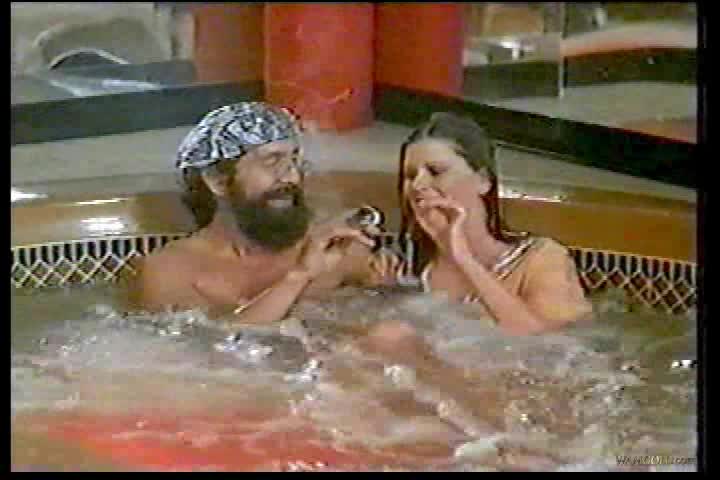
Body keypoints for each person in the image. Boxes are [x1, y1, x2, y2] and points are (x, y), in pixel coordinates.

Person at [127, 102, 396, 326]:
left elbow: (396, 323)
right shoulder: (171, 272)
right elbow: (200, 360)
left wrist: (386, 290)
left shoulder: (341, 254)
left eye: (294, 161)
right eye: (272, 162)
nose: (291, 177)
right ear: (217, 181)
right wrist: (299, 276)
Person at [394, 112, 593, 336]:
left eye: (435, 171)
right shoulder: (403, 269)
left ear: (483, 181)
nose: (418, 184)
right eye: (410, 175)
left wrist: (463, 258)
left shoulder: (541, 260)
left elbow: (548, 345)